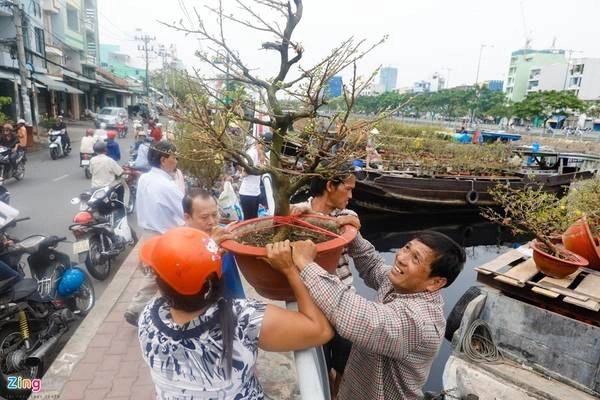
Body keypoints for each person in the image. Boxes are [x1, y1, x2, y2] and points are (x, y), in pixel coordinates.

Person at [137, 227, 333, 399]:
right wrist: (292, 269)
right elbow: (321, 330)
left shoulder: (148, 318)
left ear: (161, 285)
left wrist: (199, 257)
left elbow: (181, 284)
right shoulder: (241, 320)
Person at [283, 224, 466, 400]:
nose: (401, 257)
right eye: (406, 247)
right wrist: (353, 236)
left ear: (435, 282)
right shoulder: (405, 284)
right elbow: (373, 266)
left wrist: (305, 264)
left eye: (415, 259)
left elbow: (354, 315)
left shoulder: (418, 322)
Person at [124, 141, 184, 325]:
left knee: (156, 273)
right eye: (174, 157)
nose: (176, 160)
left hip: (149, 234)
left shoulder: (145, 178)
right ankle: (137, 309)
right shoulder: (167, 186)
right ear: (163, 160)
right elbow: (184, 211)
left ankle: (145, 308)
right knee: (162, 274)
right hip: (165, 237)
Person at [183, 189, 244, 299]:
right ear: (187, 218)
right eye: (204, 217)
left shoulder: (222, 232)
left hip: (235, 295)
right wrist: (210, 246)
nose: (212, 221)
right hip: (210, 306)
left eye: (215, 214)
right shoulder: (182, 245)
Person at [239, 134, 270, 220]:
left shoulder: (261, 155)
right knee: (249, 220)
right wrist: (257, 169)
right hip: (247, 193)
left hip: (256, 192)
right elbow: (244, 172)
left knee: (255, 219)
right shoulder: (252, 153)